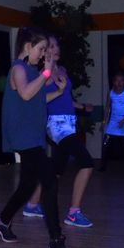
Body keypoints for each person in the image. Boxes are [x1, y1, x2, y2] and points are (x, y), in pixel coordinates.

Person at [0, 27, 69, 248]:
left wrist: (58, 92)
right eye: (41, 49)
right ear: (28, 46)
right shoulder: (18, 68)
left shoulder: (31, 70)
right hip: (24, 136)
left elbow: (37, 99)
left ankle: (3, 221)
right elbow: (26, 94)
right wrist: (46, 74)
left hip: (33, 136)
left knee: (27, 185)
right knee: (49, 180)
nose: (43, 54)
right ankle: (56, 237)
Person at [22, 35, 96, 228]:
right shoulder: (43, 74)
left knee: (55, 170)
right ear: (44, 51)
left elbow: (65, 99)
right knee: (87, 163)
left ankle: (32, 205)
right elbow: (37, 99)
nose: (56, 49)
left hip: (69, 123)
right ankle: (73, 213)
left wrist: (81, 106)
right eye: (51, 46)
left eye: (57, 45)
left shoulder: (62, 70)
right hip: (56, 125)